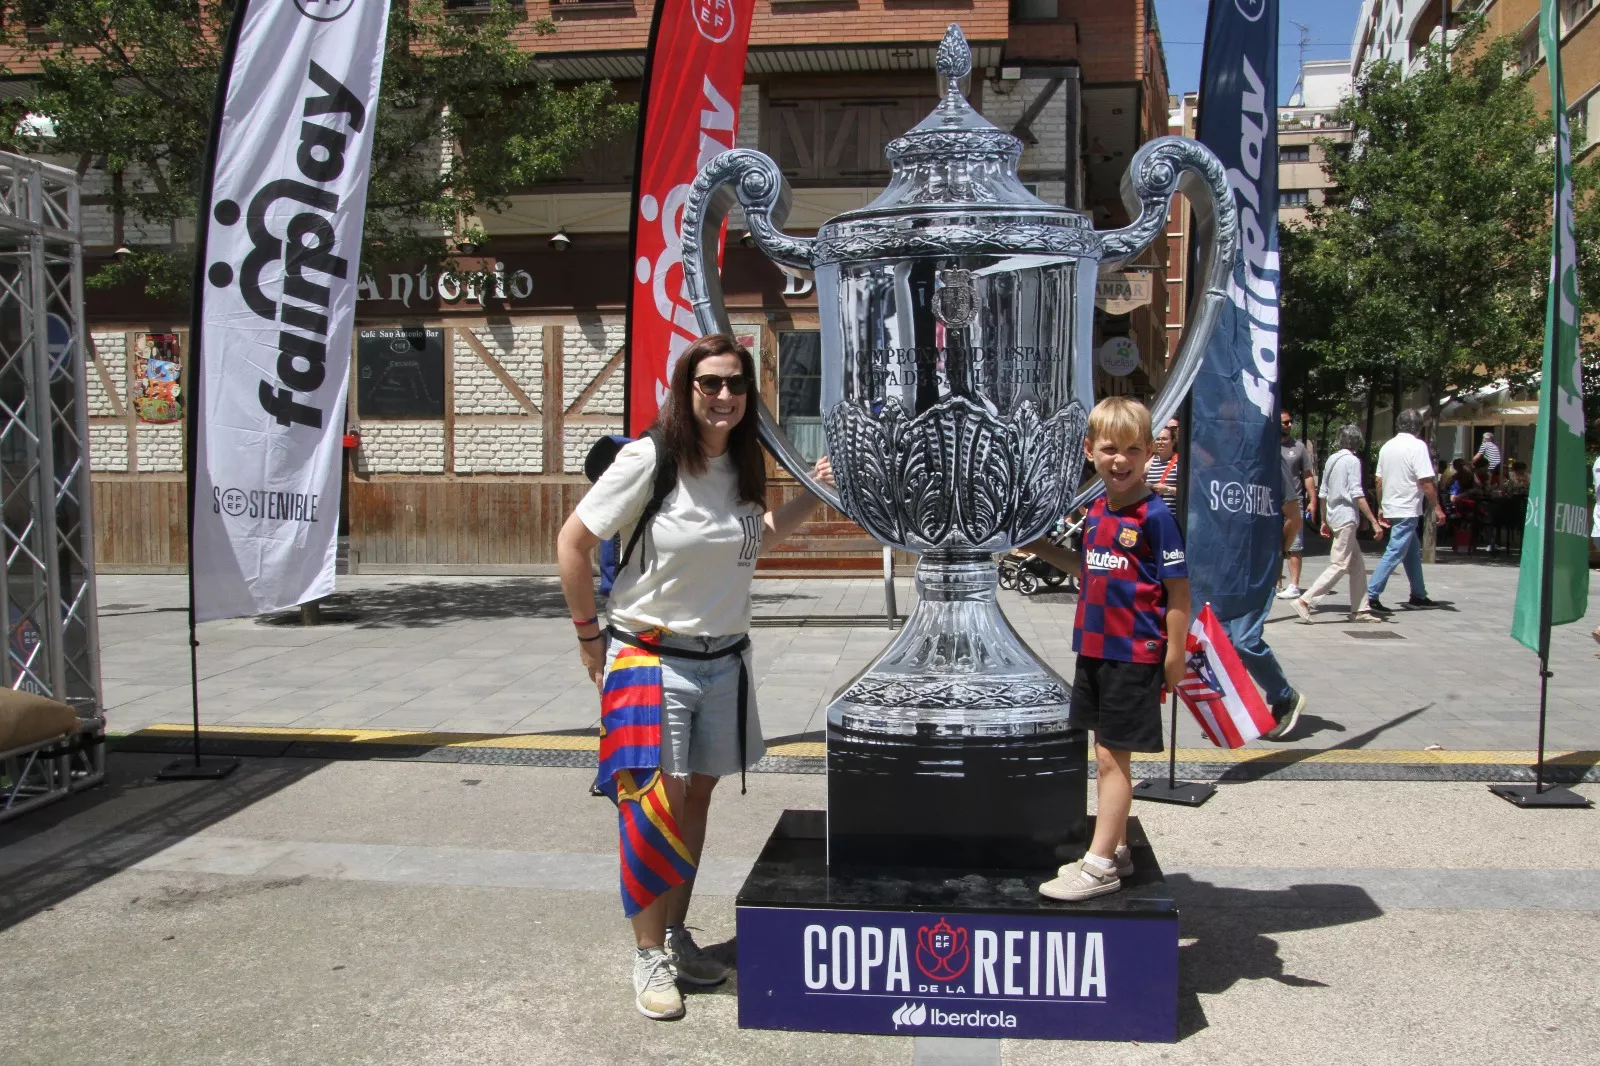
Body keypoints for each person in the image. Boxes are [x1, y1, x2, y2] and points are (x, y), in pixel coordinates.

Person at [556, 334, 834, 1021]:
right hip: (650, 658)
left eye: (735, 385)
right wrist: (589, 636)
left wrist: (817, 490)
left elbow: (754, 538)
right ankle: (647, 951)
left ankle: (674, 934)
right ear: (686, 389)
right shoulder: (649, 458)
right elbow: (573, 541)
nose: (723, 396)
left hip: (725, 661)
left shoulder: (741, 463)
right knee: (654, 806)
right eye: (708, 383)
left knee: (696, 804)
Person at [1025, 398, 1189, 902]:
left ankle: (1098, 868)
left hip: (1132, 653)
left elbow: (1179, 590)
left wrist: (1174, 655)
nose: (1121, 460)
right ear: (1089, 451)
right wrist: (1034, 546)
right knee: (1103, 752)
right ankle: (1115, 847)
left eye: (1133, 450)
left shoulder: (1156, 515)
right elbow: (1087, 569)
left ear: (1147, 454)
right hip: (1094, 650)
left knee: (1111, 761)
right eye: (1110, 449)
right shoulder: (1097, 510)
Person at [1292, 425, 1384, 624]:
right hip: (1346, 517)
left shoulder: (1332, 460)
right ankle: (1306, 600)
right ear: (1357, 442)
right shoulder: (1352, 461)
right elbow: (1357, 493)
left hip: (1334, 517)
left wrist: (1324, 520)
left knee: (1357, 565)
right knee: (1340, 564)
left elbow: (1323, 492)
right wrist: (1374, 522)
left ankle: (1360, 610)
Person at [1366, 408, 1446, 614]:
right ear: (1418, 427)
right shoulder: (1417, 446)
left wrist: (1382, 506)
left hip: (1393, 505)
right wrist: (1437, 507)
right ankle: (1371, 594)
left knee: (1411, 551)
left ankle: (1418, 594)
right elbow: (1425, 481)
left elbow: (1379, 480)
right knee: (1395, 551)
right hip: (1407, 507)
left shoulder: (1387, 446)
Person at [1277, 410, 1317, 600]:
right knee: (1274, 544)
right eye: (1284, 422)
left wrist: (1313, 500)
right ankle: (1276, 583)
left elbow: (1307, 475)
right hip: (1273, 502)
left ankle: (1294, 584)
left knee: (1295, 544)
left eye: (1290, 422)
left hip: (1295, 502)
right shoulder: (1268, 446)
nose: (1288, 425)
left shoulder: (1299, 448)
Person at [1146, 424, 1179, 502]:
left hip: (1172, 512)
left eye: (1164, 439)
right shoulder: (1152, 460)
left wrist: (1167, 489)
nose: (1160, 442)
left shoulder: (1179, 462)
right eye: (1158, 439)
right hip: (1153, 511)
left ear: (1173, 442)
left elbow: (1188, 493)